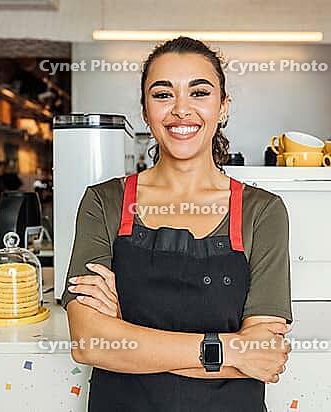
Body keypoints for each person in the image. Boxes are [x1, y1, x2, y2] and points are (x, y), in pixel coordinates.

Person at [62, 36, 293, 412]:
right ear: (145, 109)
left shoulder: (262, 211)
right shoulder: (104, 203)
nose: (181, 110)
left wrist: (126, 333)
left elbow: (264, 357)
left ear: (223, 106)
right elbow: (90, 343)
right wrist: (231, 348)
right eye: (163, 94)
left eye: (199, 93)